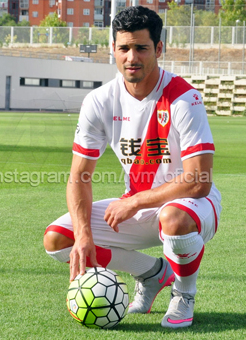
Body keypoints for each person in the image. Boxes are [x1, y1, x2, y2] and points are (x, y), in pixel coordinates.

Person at [43, 6, 221, 328]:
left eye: (141, 48)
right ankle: (152, 273)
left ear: (159, 49)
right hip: (137, 205)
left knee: (173, 218)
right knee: (59, 239)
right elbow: (79, 176)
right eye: (124, 48)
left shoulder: (184, 98)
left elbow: (200, 181)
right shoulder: (99, 102)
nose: (131, 57)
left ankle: (184, 294)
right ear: (113, 49)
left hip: (193, 206)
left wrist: (135, 201)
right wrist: (84, 234)